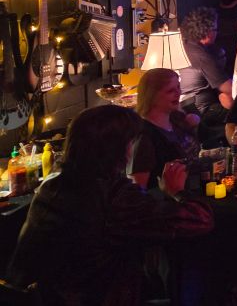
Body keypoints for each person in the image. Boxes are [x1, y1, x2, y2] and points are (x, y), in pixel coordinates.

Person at [7, 105, 213, 305]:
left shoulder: (51, 185)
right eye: (131, 142)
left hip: (33, 297)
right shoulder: (114, 198)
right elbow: (200, 219)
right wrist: (177, 190)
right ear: (118, 149)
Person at [129, 68, 200, 190]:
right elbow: (138, 191)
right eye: (170, 91)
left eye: (178, 87)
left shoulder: (176, 119)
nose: (178, 93)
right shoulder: (144, 138)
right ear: (152, 95)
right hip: (170, 203)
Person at [178, 7, 232, 114]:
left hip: (188, 107)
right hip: (204, 111)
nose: (217, 33)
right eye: (216, 29)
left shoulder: (186, 45)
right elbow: (230, 89)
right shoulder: (202, 57)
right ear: (208, 31)